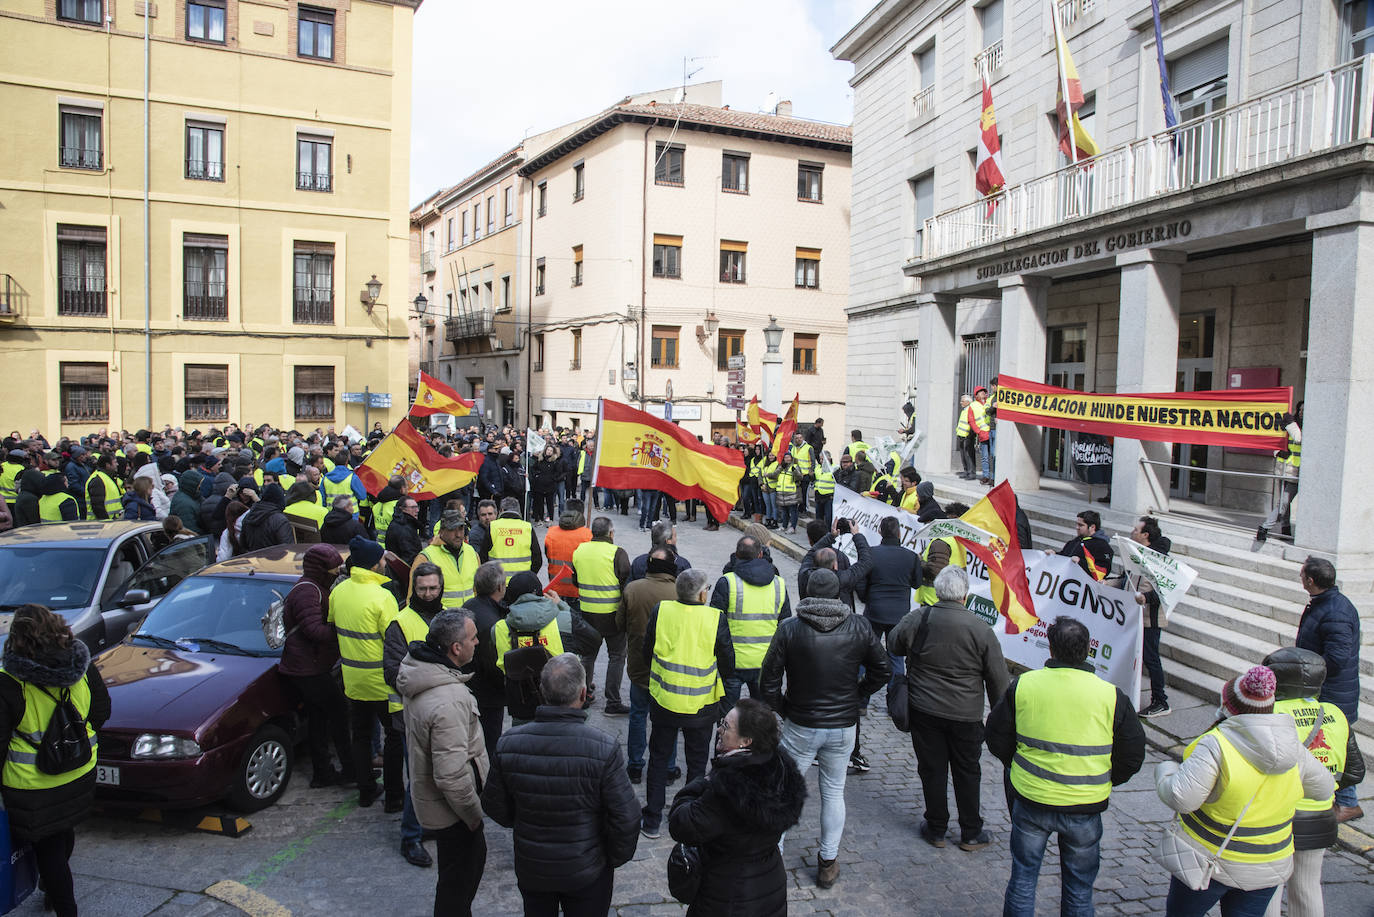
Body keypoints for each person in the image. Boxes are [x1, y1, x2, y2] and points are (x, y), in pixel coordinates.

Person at [986, 616, 1146, 917]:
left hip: (1032, 798)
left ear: (1051, 649)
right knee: (1079, 888)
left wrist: (1018, 765)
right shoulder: (1110, 695)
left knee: (1023, 878)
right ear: (1087, 650)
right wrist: (1105, 779)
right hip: (1084, 804)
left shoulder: (1024, 685)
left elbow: (995, 736)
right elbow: (1133, 753)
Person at [1154, 665, 1333, 917]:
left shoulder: (1217, 743)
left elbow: (1181, 797)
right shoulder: (1294, 750)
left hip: (1210, 858)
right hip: (1268, 863)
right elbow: (1324, 788)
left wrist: (1166, 770)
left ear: (1228, 706)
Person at [481, 654, 639, 916]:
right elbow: (627, 817)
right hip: (587, 871)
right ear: (583, 692)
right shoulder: (603, 748)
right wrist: (610, 858)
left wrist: (523, 822)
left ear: (542, 692)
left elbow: (494, 805)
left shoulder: (509, 743)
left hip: (534, 868)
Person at [760, 568, 888, 888]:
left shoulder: (790, 628)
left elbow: (769, 679)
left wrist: (784, 707)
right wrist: (857, 695)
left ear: (806, 591)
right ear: (837, 593)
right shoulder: (858, 626)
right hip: (842, 724)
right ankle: (827, 861)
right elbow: (882, 669)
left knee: (785, 789)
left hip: (802, 722)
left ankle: (772, 855)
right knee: (833, 792)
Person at [0, 604, 111, 917]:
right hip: (80, 770)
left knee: (48, 848)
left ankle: (65, 908)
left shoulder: (9, 680)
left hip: (32, 783)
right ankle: (52, 889)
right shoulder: (82, 664)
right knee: (63, 829)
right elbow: (102, 711)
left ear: (17, 639)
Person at [891, 567, 1008, 852]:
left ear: (939, 591)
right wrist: (1000, 718)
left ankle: (936, 827)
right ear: (965, 595)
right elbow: (998, 679)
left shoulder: (920, 617)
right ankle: (970, 831)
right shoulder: (980, 628)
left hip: (925, 708)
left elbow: (894, 642)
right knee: (968, 770)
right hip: (966, 714)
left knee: (932, 769)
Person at [667, 698, 807, 917]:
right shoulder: (779, 767)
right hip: (769, 885)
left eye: (725, 726)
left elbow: (682, 824)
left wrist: (704, 782)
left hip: (729, 894)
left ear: (745, 741)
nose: (719, 730)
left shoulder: (727, 790)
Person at [395, 609, 488, 917]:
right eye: (472, 637)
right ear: (455, 648)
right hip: (454, 814)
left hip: (437, 807)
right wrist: (474, 815)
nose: (478, 641)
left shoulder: (425, 672)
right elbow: (450, 775)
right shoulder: (449, 700)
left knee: (453, 880)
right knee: (458, 884)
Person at [1261, 647, 1364, 917]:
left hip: (1276, 814)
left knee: (1269, 888)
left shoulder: (1269, 713)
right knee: (1307, 887)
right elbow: (1355, 772)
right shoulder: (1335, 714)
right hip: (1320, 813)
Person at [639, 569, 735, 839]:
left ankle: (652, 819)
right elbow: (728, 661)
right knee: (696, 761)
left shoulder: (662, 611)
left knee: (658, 759)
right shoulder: (715, 618)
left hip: (665, 700)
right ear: (703, 593)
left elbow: (648, 650)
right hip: (702, 704)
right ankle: (689, 813)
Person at [329, 536, 404, 811]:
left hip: (353, 680)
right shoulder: (383, 596)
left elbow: (335, 625)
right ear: (374, 566)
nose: (385, 564)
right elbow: (395, 641)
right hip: (382, 683)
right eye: (383, 560)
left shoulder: (339, 592)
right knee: (395, 737)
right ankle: (395, 796)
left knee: (360, 736)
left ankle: (366, 790)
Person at [383, 562, 447, 870]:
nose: (428, 593)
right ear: (413, 588)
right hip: (409, 716)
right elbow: (393, 673)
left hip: (444, 714)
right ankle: (410, 838)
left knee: (439, 774)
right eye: (422, 588)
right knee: (419, 779)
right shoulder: (400, 623)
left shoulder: (449, 619)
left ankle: (426, 825)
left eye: (433, 588)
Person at [277, 543, 353, 790]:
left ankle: (323, 773)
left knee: (318, 720)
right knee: (339, 715)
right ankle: (349, 771)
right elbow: (314, 631)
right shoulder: (308, 592)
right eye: (333, 568)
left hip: (310, 665)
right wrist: (342, 626)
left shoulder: (313, 587)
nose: (337, 572)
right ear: (321, 569)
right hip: (308, 669)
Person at [1294, 555, 1363, 821]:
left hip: (1332, 694)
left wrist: (1303, 669)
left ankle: (1348, 803)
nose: (1300, 578)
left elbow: (1336, 658)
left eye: (1302, 575)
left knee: (1337, 747)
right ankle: (1331, 798)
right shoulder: (1324, 603)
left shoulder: (1335, 611)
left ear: (1310, 580)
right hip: (1325, 690)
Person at [621, 546, 681, 784]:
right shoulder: (680, 592)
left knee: (637, 715)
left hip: (639, 665)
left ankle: (635, 766)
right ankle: (667, 767)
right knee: (668, 719)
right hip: (670, 667)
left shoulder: (632, 589)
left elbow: (620, 621)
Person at [710, 536, 791, 707]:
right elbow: (785, 625)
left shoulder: (727, 582)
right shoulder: (779, 584)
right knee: (760, 717)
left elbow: (714, 624)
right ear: (761, 554)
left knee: (727, 716)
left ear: (736, 555)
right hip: (765, 661)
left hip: (732, 661)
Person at [571, 517, 631, 713]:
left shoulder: (579, 550)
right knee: (616, 657)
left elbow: (576, 581)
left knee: (587, 656)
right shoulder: (618, 553)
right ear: (610, 533)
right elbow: (626, 585)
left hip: (587, 614)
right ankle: (612, 702)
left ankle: (584, 695)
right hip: (613, 616)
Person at [860, 515, 922, 678]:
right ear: (899, 534)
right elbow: (917, 583)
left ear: (880, 531)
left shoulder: (871, 553)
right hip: (899, 613)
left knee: (867, 652)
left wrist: (866, 598)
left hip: (875, 609)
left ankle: (859, 697)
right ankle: (896, 698)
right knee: (896, 657)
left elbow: (861, 580)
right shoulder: (911, 556)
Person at [461, 561, 509, 762]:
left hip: (469, 688)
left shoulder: (469, 606)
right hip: (488, 696)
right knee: (489, 746)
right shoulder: (493, 624)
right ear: (499, 587)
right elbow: (493, 665)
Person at [1131, 516, 1172, 718]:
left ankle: (1160, 701)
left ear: (1145, 535)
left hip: (1150, 619)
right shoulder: (1139, 555)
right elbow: (1128, 581)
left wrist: (1145, 597)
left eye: (1136, 530)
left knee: (1151, 658)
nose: (1133, 532)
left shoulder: (1159, 560)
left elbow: (1163, 592)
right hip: (1136, 616)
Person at [1256, 401, 1301, 543]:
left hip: (1295, 473)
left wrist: (1290, 424)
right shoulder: (1288, 425)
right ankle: (1285, 529)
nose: (1302, 413)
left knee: (1283, 503)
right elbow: (1276, 442)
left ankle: (1265, 528)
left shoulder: (1295, 426)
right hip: (1282, 471)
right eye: (1300, 410)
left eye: (1304, 410)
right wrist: (1278, 453)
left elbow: (1299, 439)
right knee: (1283, 504)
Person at [421, 510, 480, 611]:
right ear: (442, 531)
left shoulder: (471, 552)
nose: (458, 534)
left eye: (461, 529)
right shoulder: (426, 557)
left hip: (469, 618)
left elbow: (477, 589)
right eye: (453, 529)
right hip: (441, 620)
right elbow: (415, 597)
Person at [478, 497, 542, 582]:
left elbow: (483, 557)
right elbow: (537, 559)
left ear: (501, 510)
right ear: (518, 510)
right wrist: (529, 577)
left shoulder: (493, 527)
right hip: (522, 582)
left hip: (498, 583)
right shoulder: (527, 527)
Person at [543, 500, 592, 609]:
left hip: (555, 589)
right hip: (578, 591)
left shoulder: (551, 533)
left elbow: (547, 556)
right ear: (582, 513)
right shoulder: (588, 535)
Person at [1053, 509, 1114, 581]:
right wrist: (1054, 554)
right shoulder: (1076, 541)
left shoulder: (1102, 546)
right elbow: (1064, 555)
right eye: (1077, 524)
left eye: (1081, 525)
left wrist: (1080, 562)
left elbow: (1103, 570)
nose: (1077, 527)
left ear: (1092, 527)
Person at [238, 483, 294, 552]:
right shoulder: (280, 520)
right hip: (275, 560)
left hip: (255, 559)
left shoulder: (249, 515)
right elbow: (287, 549)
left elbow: (243, 544)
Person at [385, 497, 425, 566]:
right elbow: (409, 557)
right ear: (402, 509)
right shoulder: (404, 529)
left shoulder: (399, 522)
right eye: (413, 507)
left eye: (417, 507)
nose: (417, 510)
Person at [968, 388, 992, 485]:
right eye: (981, 392)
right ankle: (986, 476)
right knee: (985, 457)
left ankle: (993, 477)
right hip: (983, 434)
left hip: (992, 432)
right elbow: (971, 421)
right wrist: (978, 431)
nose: (984, 393)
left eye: (984, 392)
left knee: (993, 456)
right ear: (976, 395)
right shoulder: (973, 406)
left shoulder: (989, 401)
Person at [955, 394, 976, 479]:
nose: (961, 403)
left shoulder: (970, 410)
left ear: (968, 402)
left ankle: (971, 472)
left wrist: (969, 434)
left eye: (962, 401)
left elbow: (971, 423)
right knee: (963, 455)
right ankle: (966, 470)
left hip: (967, 436)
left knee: (969, 454)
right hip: (961, 435)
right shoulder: (964, 410)